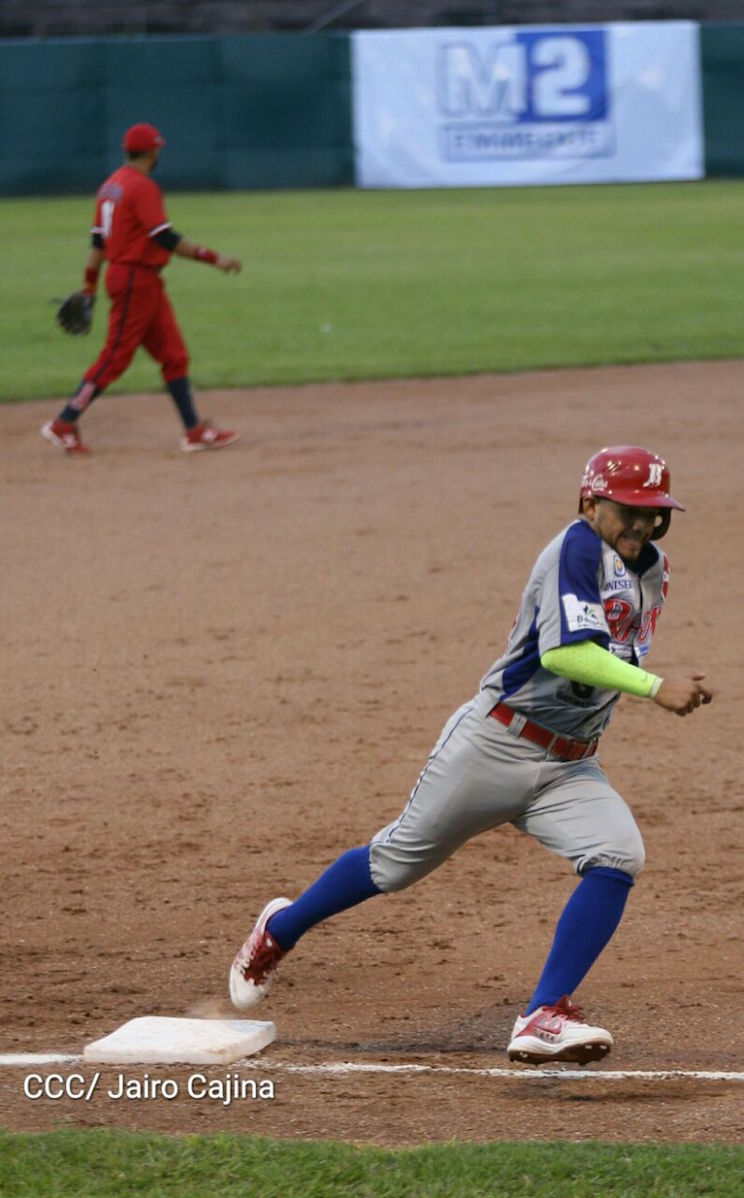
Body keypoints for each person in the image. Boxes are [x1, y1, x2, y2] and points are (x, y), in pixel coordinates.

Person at [228, 446, 713, 1065]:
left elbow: (606, 655)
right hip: (496, 743)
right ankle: (280, 928)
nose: (643, 524)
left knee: (618, 853)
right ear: (591, 505)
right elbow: (564, 654)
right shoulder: (578, 547)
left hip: (568, 763)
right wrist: (655, 686)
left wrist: (655, 680)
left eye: (654, 512)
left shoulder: (653, 569)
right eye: (629, 509)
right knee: (395, 865)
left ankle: (544, 1013)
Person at [41, 123, 241, 455]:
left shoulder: (110, 187)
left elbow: (97, 242)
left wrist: (89, 287)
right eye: (158, 148)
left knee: (174, 356)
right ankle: (62, 422)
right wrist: (214, 258)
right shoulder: (141, 187)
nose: (159, 153)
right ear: (152, 151)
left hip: (140, 281)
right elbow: (164, 237)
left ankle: (193, 432)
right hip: (135, 279)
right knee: (115, 358)